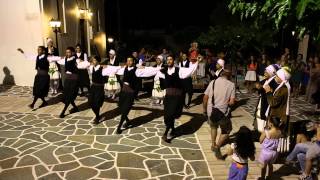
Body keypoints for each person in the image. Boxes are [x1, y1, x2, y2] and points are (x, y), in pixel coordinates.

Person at [102, 57, 161, 134]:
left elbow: (147, 71)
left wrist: (158, 69)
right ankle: (128, 121)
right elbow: (114, 68)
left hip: (130, 93)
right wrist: (104, 66)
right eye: (127, 60)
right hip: (123, 91)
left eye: (130, 61)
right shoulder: (124, 69)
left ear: (133, 62)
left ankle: (119, 127)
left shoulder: (137, 70)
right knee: (121, 107)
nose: (129, 62)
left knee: (125, 109)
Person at [155, 55, 198, 142]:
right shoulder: (164, 70)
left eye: (171, 59)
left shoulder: (179, 70)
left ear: (173, 61)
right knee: (167, 116)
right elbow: (152, 71)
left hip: (177, 97)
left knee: (171, 114)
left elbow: (190, 71)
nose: (169, 61)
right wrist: (140, 67)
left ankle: (165, 134)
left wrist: (196, 62)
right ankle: (173, 129)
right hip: (168, 97)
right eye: (168, 60)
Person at [48, 47, 90, 118]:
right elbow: (57, 59)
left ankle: (63, 111)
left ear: (73, 53)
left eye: (69, 52)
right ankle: (75, 108)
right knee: (67, 95)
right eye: (66, 52)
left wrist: (83, 61)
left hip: (74, 80)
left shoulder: (76, 60)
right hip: (67, 80)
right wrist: (51, 56)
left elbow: (86, 64)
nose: (67, 53)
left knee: (70, 95)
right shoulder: (65, 59)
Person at [203, 69, 235, 158]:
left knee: (213, 127)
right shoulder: (231, 85)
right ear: (229, 76)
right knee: (227, 130)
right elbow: (232, 102)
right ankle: (217, 146)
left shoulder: (213, 82)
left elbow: (205, 97)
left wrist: (204, 110)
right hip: (223, 113)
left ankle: (213, 144)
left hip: (211, 110)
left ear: (221, 75)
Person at [254, 64, 280, 132]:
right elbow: (260, 85)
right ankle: (259, 130)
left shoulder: (274, 83)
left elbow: (270, 92)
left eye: (266, 72)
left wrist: (261, 88)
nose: (264, 73)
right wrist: (258, 86)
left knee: (266, 118)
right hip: (262, 101)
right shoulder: (266, 80)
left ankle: (264, 132)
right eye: (264, 71)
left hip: (267, 103)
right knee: (259, 115)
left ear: (271, 73)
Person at [88, 56, 105, 124]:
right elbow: (83, 65)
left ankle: (97, 117)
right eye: (92, 60)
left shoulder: (102, 68)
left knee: (97, 103)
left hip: (99, 87)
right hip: (93, 87)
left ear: (98, 61)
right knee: (90, 102)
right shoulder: (91, 67)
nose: (93, 61)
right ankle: (98, 116)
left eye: (94, 60)